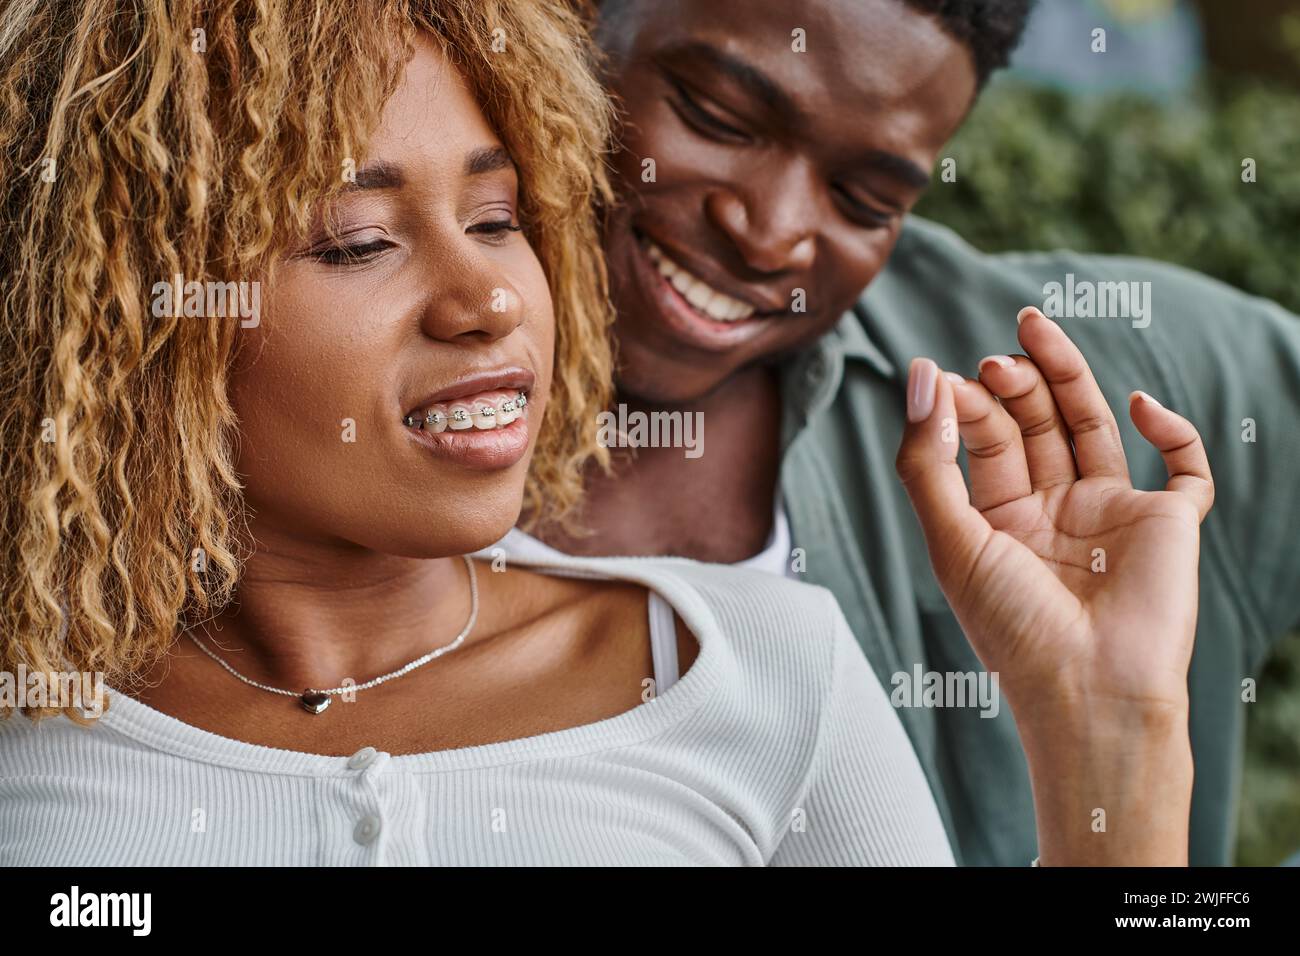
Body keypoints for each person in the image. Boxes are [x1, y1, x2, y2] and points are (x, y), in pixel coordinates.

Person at [0, 0, 1217, 868]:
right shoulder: (31, 723)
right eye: (357, 241)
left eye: (499, 215)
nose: (487, 300)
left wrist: (1112, 739)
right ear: (125, 315)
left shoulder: (761, 669)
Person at [502, 0, 1300, 866]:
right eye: (718, 118)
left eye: (866, 199)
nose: (769, 235)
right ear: (569, 28)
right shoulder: (351, 398)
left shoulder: (1094, 387)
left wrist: (1118, 750)